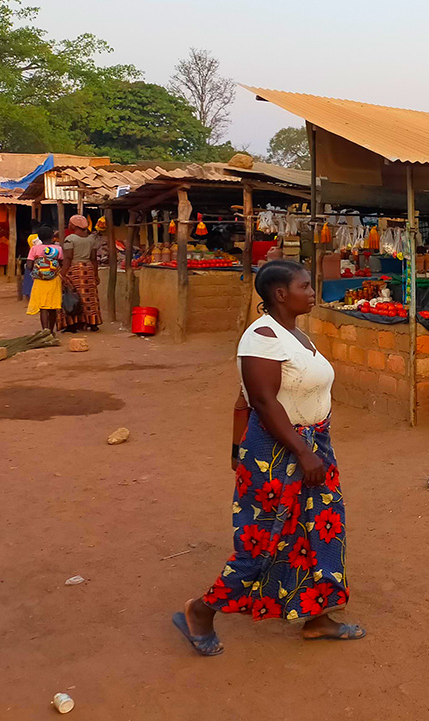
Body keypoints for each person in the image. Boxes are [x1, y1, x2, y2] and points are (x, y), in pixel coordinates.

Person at [173, 260, 363, 656]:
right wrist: (301, 451)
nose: (312, 293)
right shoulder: (261, 336)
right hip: (277, 452)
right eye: (305, 286)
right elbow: (260, 400)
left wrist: (313, 448)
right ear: (280, 294)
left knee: (323, 529)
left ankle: (317, 617)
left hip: (313, 445)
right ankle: (200, 611)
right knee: (265, 539)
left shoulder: (294, 335)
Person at [60, 215, 102, 332]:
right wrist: (95, 274)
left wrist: (62, 274)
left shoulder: (70, 239)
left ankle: (73, 324)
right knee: (89, 297)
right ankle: (92, 322)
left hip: (74, 270)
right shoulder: (91, 239)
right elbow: (94, 259)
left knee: (73, 296)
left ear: (74, 225)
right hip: (88, 269)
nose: (69, 225)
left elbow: (68, 258)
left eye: (70, 223)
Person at [26, 226, 63, 333]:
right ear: (52, 237)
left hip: (39, 281)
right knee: (53, 307)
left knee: (43, 307)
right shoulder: (58, 249)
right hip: (54, 280)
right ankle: (51, 331)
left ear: (39, 238)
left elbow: (29, 265)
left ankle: (45, 332)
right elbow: (61, 263)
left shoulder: (34, 249)